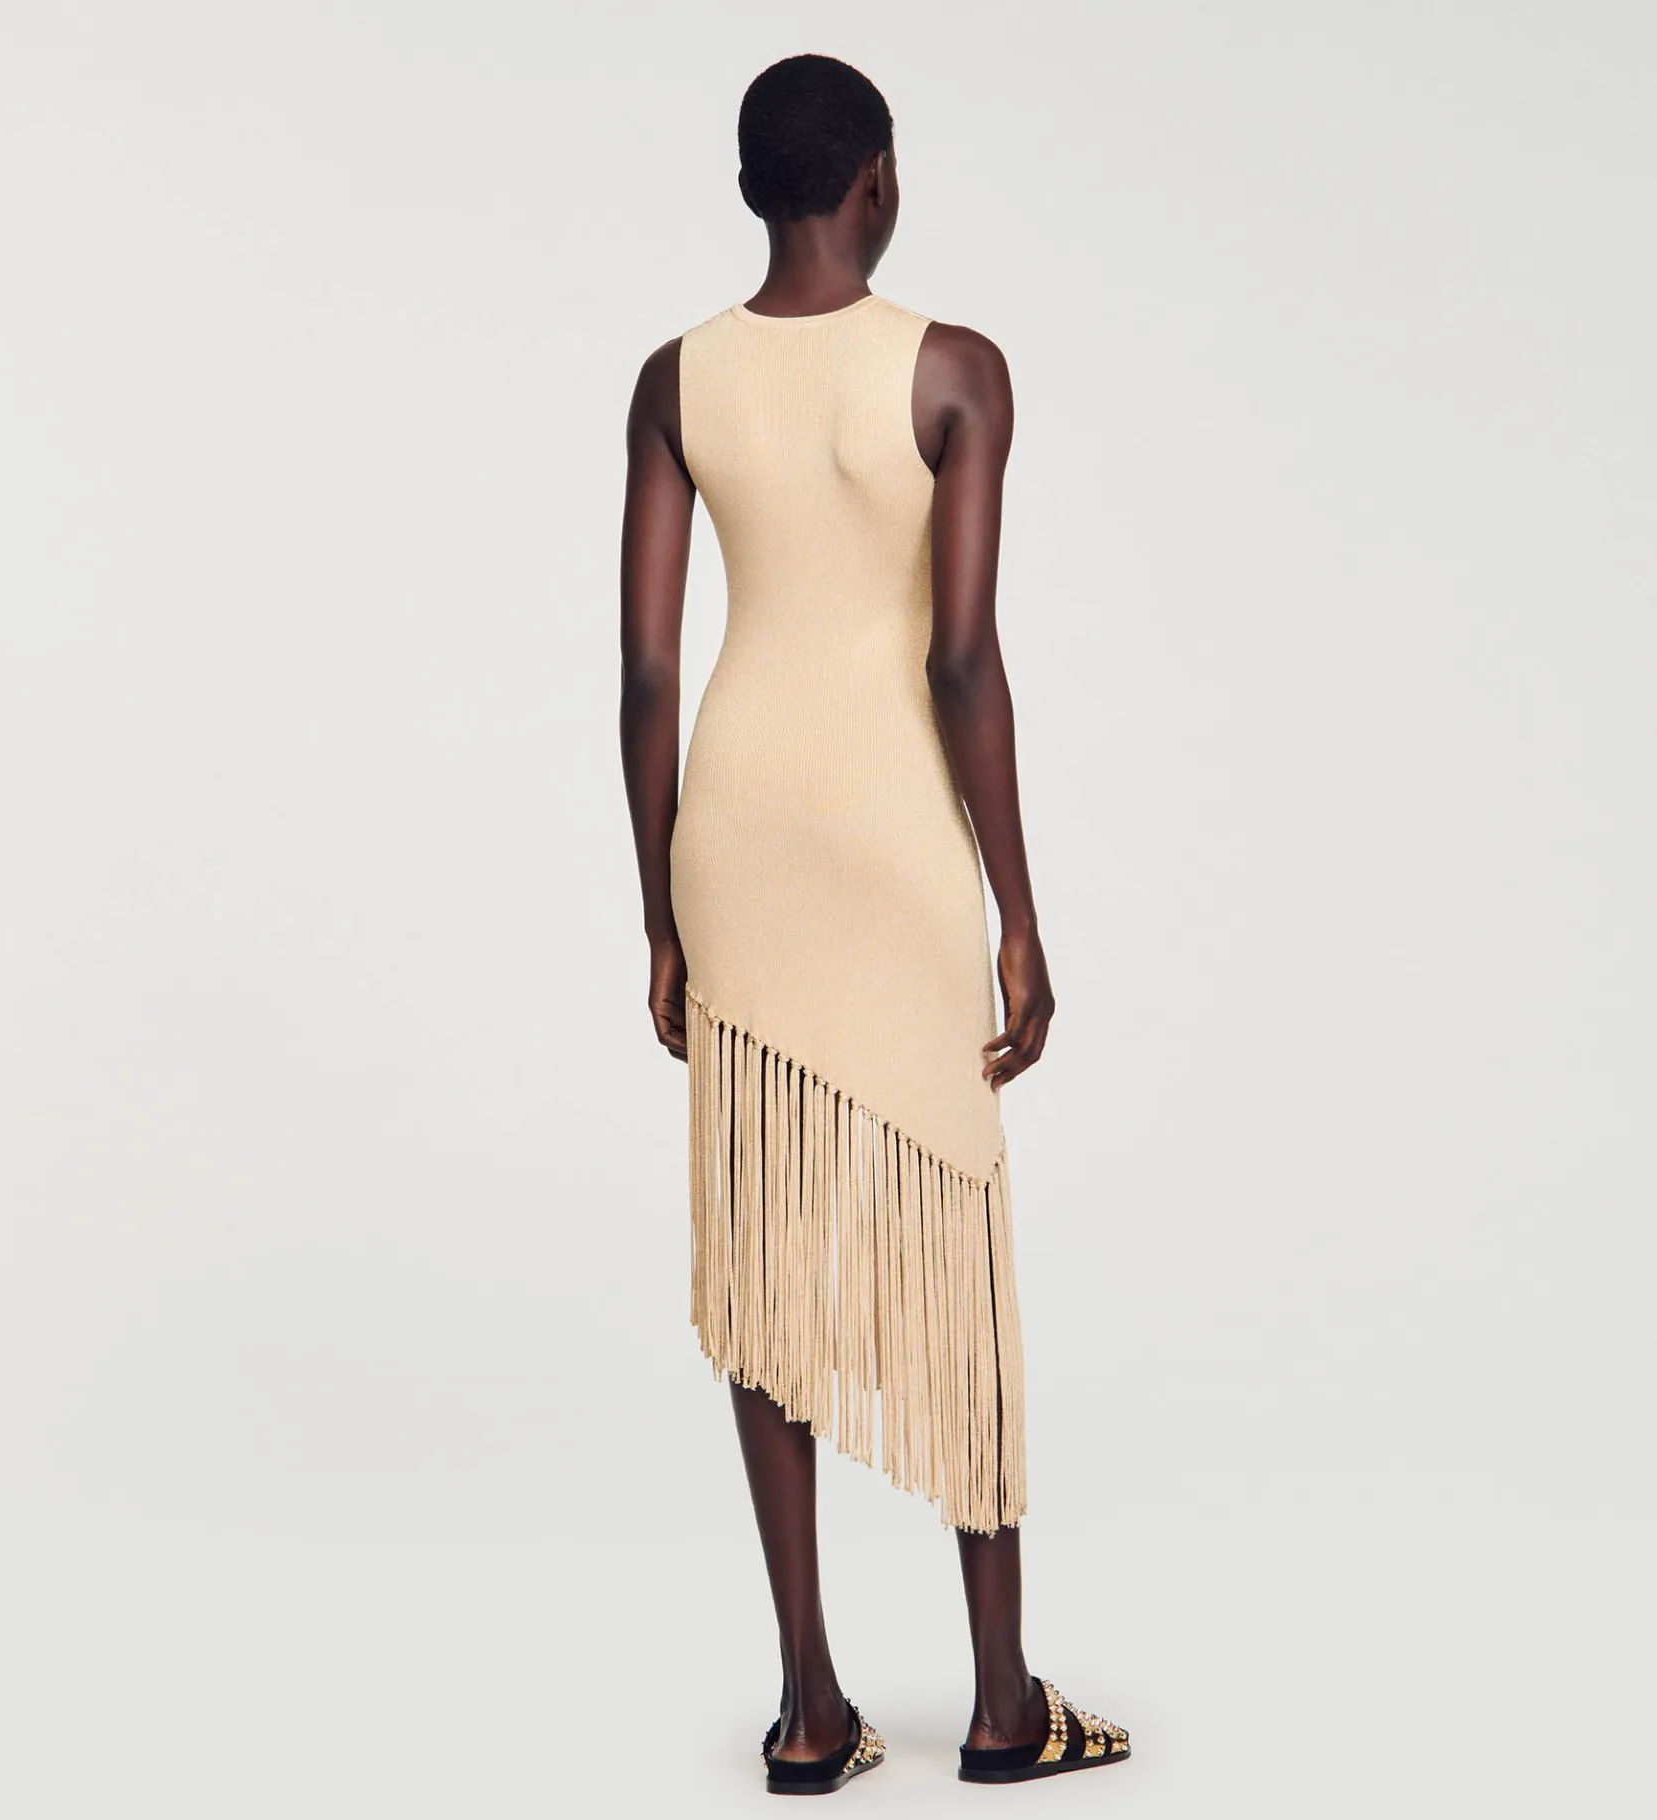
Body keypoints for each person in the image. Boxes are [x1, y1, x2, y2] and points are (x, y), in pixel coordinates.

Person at [618, 52, 1127, 1794]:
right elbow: (961, 659)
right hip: (894, 828)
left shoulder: (676, 380)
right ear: (879, 180)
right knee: (955, 1224)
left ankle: (811, 1709)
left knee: (765, 1254)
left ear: (753, 188)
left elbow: (645, 674)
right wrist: (1020, 915)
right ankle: (1001, 1706)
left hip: (737, 824)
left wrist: (659, 910)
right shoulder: (955, 370)